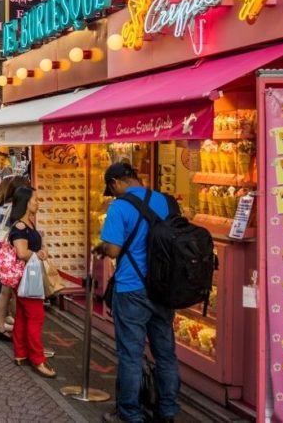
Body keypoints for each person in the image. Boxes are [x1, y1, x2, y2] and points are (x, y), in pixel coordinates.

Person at [95, 163, 178, 423]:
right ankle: (167, 410)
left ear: (116, 182)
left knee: (130, 354)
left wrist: (102, 247)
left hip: (132, 287)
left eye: (112, 188)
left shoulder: (119, 207)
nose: (114, 192)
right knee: (165, 353)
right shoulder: (166, 201)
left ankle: (130, 413)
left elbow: (114, 250)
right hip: (164, 288)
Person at [8, 186, 56, 379]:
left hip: (25, 277)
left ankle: (20, 353)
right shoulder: (21, 227)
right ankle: (38, 359)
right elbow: (21, 253)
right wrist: (39, 254)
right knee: (36, 317)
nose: (38, 202)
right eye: (35, 199)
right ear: (26, 203)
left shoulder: (26, 223)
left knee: (22, 316)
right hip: (28, 279)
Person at [0, 175, 31, 341]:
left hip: (1, 252)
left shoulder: (0, 207)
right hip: (9, 254)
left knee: (1, 288)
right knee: (3, 289)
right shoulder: (13, 210)